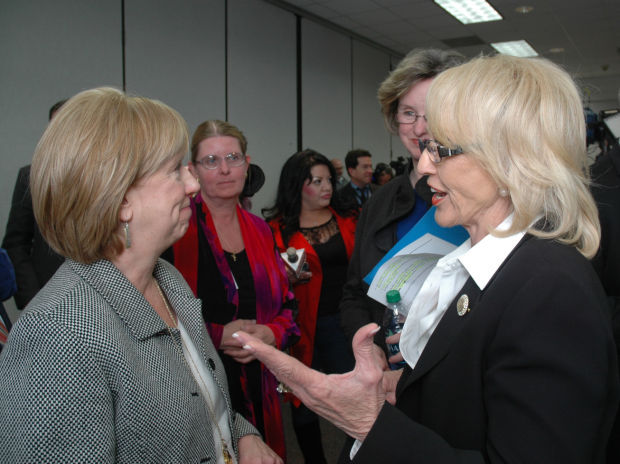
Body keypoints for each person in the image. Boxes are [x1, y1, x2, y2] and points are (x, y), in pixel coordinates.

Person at [232, 55, 620, 464]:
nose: (422, 163)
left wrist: (369, 424)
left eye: (441, 149)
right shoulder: (484, 264)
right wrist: (402, 388)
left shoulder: (550, 291)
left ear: (509, 159)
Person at [0, 88, 282, 463]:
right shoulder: (58, 334)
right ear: (119, 201)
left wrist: (243, 436)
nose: (194, 184)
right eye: (173, 171)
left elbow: (202, 395)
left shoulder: (167, 278)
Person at [169, 119, 300, 460]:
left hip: (261, 381)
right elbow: (155, 312)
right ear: (193, 170)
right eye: (211, 161)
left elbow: (288, 305)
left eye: (234, 158)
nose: (225, 169)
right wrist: (214, 334)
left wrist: (271, 333)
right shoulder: (175, 231)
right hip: (197, 384)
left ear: (247, 163)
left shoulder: (261, 229)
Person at [340, 48, 463, 363]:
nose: (420, 129)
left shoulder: (478, 200)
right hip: (390, 366)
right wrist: (369, 348)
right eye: (409, 113)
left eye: (432, 113)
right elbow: (354, 293)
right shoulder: (379, 201)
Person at [263, 149, 357, 463]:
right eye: (316, 181)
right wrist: (284, 277)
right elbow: (264, 283)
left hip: (344, 324)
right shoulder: (276, 230)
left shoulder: (348, 219)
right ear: (296, 186)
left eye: (329, 179)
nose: (327, 187)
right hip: (302, 328)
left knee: (355, 402)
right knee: (304, 406)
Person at [2, 99, 67, 309]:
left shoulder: (110, 180)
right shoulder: (31, 177)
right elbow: (15, 244)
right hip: (46, 299)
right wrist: (33, 298)